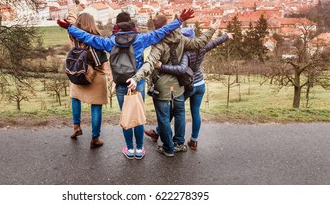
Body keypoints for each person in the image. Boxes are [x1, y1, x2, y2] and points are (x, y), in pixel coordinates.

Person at [57, 9, 195, 160]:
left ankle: (130, 149)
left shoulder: (110, 42)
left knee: (127, 116)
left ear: (117, 26)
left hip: (121, 84)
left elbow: (88, 37)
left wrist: (70, 28)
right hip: (137, 82)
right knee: (138, 115)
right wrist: (179, 19)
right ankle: (140, 149)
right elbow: (161, 32)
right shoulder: (141, 39)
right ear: (131, 24)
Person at [127, 16, 220, 157]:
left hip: (162, 87)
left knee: (164, 118)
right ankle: (179, 144)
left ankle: (168, 148)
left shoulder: (159, 44)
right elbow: (199, 43)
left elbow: (149, 63)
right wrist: (211, 29)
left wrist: (136, 78)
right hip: (177, 86)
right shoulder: (181, 38)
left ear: (157, 29)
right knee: (179, 114)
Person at [145, 28, 232, 150]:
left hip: (188, 85)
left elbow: (181, 69)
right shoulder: (201, 48)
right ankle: (194, 140)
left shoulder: (184, 52)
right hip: (200, 83)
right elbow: (213, 43)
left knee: (174, 110)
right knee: (195, 112)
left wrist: (162, 66)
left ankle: (158, 133)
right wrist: (226, 36)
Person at [66, 13, 109, 149]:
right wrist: (111, 76)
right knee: (96, 106)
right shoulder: (96, 38)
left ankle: (76, 126)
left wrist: (71, 9)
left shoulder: (74, 36)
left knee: (75, 98)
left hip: (79, 72)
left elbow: (70, 22)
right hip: (95, 75)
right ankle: (95, 138)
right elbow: (103, 62)